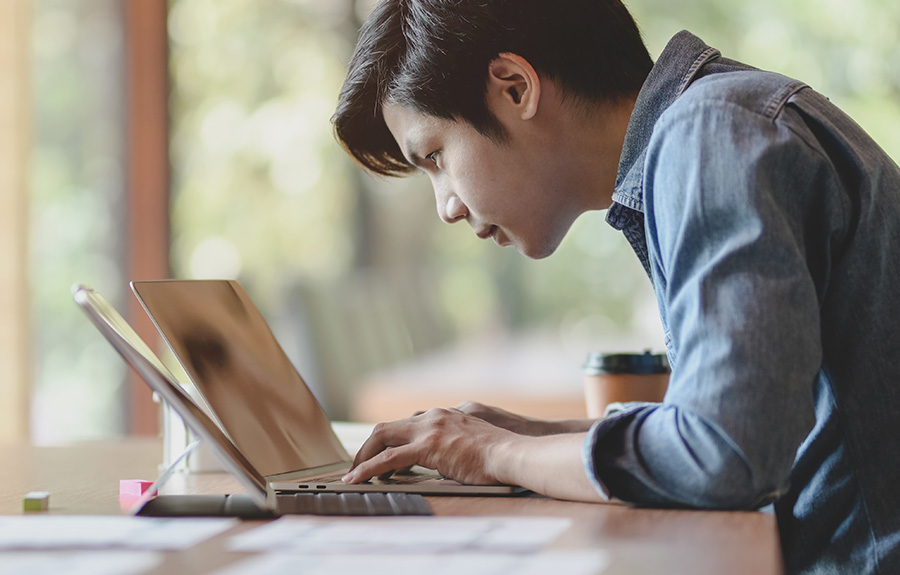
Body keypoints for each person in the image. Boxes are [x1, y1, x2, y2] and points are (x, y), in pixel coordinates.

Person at [330, 1, 900, 573]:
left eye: (435, 155)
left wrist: (495, 452)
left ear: (513, 88)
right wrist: (534, 436)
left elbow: (724, 456)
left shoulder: (712, 135)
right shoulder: (715, 124)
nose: (446, 206)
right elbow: (726, 425)